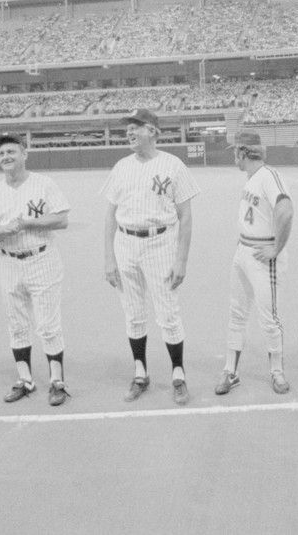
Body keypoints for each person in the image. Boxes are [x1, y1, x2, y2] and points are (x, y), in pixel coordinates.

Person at [103, 109, 200, 405]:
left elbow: (185, 216)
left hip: (160, 243)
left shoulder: (173, 165)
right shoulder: (121, 166)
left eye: (137, 127)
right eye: (127, 129)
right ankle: (140, 373)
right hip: (125, 243)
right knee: (133, 314)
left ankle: (178, 374)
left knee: (168, 313)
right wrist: (109, 257)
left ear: (154, 131)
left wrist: (181, 260)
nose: (130, 132)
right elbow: (110, 215)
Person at [0, 133, 71, 406]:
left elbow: (62, 219)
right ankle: (25, 379)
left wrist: (28, 223)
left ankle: (57, 381)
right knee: (16, 324)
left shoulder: (43, 184)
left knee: (48, 325)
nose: (6, 157)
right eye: (2, 154)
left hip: (42, 258)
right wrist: (4, 229)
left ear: (24, 154)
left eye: (11, 152)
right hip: (8, 261)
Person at [214, 130, 293, 397]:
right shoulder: (253, 178)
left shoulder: (269, 176)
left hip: (262, 256)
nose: (234, 157)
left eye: (236, 151)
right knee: (237, 313)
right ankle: (230, 370)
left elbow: (286, 209)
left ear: (245, 152)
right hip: (243, 251)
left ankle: (277, 371)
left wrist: (276, 247)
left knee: (268, 317)